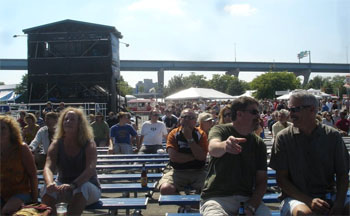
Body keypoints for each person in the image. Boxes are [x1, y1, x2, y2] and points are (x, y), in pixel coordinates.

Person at [269, 91, 350, 216]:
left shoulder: (332, 136)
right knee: (305, 214)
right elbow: (282, 179)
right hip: (295, 197)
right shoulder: (284, 138)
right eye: (289, 109)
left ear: (312, 109)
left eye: (295, 109)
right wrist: (309, 201)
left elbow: (342, 174)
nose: (290, 114)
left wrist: (339, 203)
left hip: (329, 195)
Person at [200, 96, 270, 216]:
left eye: (258, 112)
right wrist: (225, 146)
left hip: (247, 199)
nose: (258, 116)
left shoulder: (259, 143)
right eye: (254, 112)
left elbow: (262, 181)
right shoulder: (220, 130)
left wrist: (251, 207)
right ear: (239, 114)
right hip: (217, 198)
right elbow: (213, 148)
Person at [40, 107, 101, 215]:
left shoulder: (88, 143)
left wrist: (73, 185)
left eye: (72, 119)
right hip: (62, 184)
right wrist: (50, 183)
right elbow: (48, 167)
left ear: (80, 124)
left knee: (82, 188)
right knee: (45, 190)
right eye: (66, 119)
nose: (68, 122)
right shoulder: (56, 144)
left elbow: (90, 169)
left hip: (87, 186)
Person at [158, 108, 208, 195]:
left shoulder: (201, 134)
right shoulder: (173, 134)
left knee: (210, 188)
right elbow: (174, 158)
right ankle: (184, 206)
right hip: (177, 171)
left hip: (198, 171)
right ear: (180, 119)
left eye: (191, 117)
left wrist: (189, 138)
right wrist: (194, 156)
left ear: (195, 121)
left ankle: (194, 206)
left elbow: (202, 157)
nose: (187, 120)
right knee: (166, 189)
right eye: (184, 117)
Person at [0, 115, 38, 215]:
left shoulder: (22, 148)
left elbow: (33, 175)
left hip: (22, 193)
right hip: (2, 193)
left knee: (6, 211)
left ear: (11, 131)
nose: (0, 131)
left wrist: (34, 200)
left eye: (3, 128)